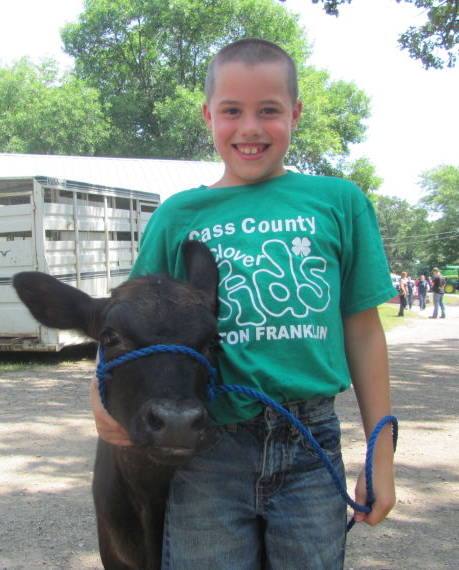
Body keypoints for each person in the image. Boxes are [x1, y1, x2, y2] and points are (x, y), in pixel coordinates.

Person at [90, 38, 396, 568]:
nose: (250, 128)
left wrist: (381, 453)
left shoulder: (340, 203)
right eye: (232, 111)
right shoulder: (178, 214)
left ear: (296, 114)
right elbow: (128, 322)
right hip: (209, 446)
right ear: (208, 115)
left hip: (310, 443)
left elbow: (364, 332)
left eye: (269, 111)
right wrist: (99, 397)